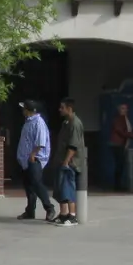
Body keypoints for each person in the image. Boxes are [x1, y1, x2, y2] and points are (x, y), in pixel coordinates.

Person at [15, 100, 56, 222]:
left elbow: (40, 142)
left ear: (31, 110)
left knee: (37, 184)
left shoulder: (38, 122)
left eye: (25, 108)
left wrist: (33, 155)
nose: (23, 111)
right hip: (25, 160)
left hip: (35, 159)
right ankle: (30, 211)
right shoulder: (28, 122)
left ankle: (49, 208)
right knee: (29, 186)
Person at [52, 97, 86, 227]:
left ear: (69, 108)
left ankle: (72, 216)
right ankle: (63, 214)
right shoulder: (66, 122)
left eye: (62, 107)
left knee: (68, 188)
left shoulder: (75, 124)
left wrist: (66, 161)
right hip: (61, 160)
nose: (59, 110)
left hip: (71, 162)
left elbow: (73, 146)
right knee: (60, 188)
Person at [108, 102, 133, 191]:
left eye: (126, 108)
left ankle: (119, 185)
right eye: (122, 108)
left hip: (121, 144)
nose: (125, 110)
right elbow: (121, 131)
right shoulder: (118, 119)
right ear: (119, 110)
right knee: (119, 165)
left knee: (121, 165)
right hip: (117, 144)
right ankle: (117, 186)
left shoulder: (125, 119)